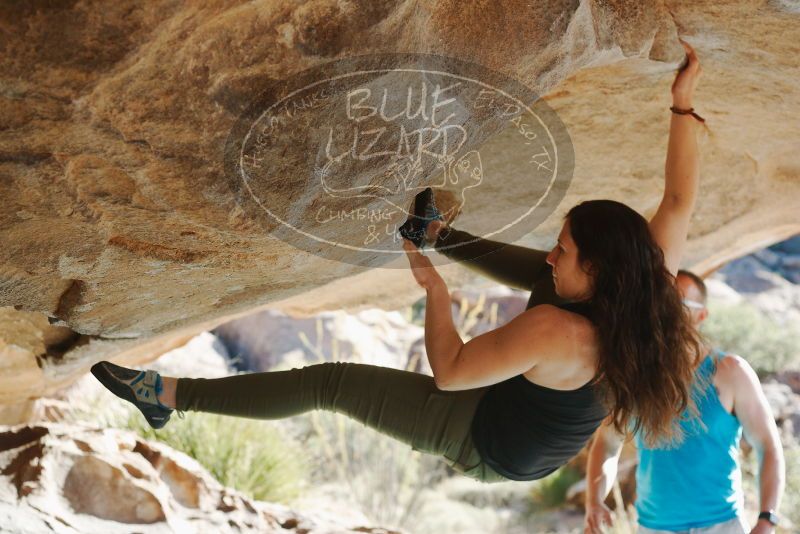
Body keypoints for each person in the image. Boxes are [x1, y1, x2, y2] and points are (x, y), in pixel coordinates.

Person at [91, 38, 705, 484]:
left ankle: (167, 396)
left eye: (566, 248)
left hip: (495, 442)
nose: (552, 250)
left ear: (599, 270)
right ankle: (432, 232)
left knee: (330, 385)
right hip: (532, 395)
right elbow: (678, 201)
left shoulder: (562, 333)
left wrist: (435, 293)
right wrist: (682, 102)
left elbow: (451, 373)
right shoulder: (639, 280)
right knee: (548, 280)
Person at [582, 271, 785, 534]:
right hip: (654, 528)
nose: (663, 310)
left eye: (676, 303)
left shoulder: (730, 371)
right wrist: (594, 501)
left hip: (722, 526)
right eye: (658, 301)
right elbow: (608, 444)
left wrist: (767, 520)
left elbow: (768, 445)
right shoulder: (636, 377)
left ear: (702, 316)